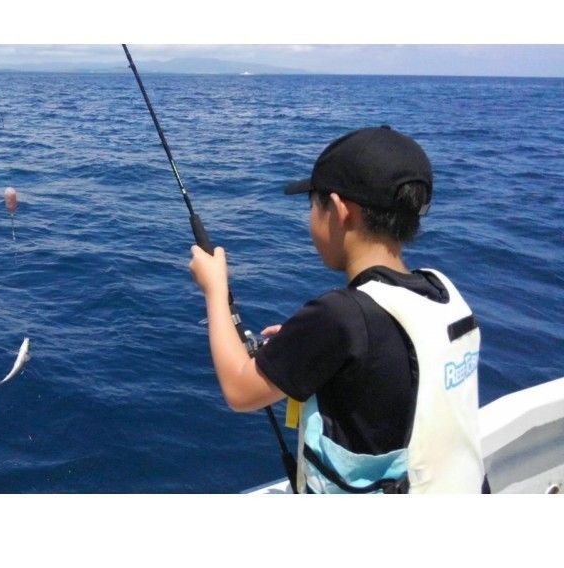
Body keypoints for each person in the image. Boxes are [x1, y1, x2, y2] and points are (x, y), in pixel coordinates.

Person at [189, 126, 486, 494]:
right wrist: (315, 351)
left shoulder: (340, 316)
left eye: (313, 204)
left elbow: (239, 390)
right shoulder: (441, 292)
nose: (310, 218)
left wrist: (214, 289)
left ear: (340, 210)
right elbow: (394, 367)